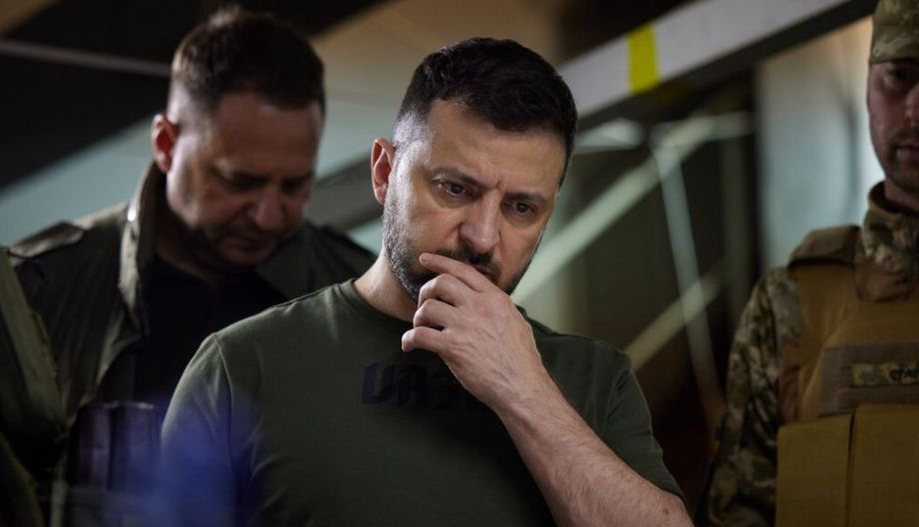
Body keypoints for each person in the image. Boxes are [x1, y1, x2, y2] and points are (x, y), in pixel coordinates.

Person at [160, 37, 690, 526]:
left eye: (521, 208)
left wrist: (523, 391)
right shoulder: (242, 367)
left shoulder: (596, 379)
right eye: (455, 189)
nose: (482, 237)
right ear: (384, 173)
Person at [4, 6, 373, 522]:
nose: (269, 216)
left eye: (294, 185)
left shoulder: (362, 294)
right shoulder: (34, 291)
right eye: (240, 181)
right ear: (165, 144)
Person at [702, 1, 919, 525]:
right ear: (868, 88)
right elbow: (739, 512)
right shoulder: (786, 309)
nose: (917, 109)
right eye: (899, 76)